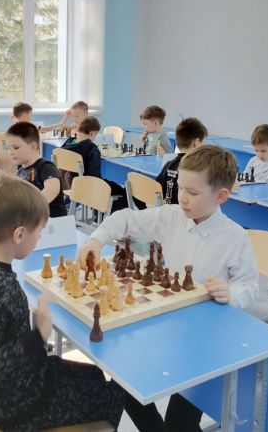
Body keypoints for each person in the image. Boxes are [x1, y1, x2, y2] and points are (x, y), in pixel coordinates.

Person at [76, 145, 258, 429]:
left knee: (179, 424)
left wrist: (232, 292)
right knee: (121, 378)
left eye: (192, 192)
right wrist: (96, 240)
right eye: (181, 188)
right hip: (167, 325)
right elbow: (125, 219)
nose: (182, 197)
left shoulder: (235, 237)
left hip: (206, 342)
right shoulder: (173, 216)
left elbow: (250, 286)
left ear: (221, 196)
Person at [0, 172, 126, 431]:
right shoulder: (1, 286)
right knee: (113, 394)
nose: (39, 238)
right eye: (38, 233)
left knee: (94, 374)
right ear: (20, 234)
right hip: (15, 403)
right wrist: (39, 334)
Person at [7, 122, 67, 217]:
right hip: (32, 220)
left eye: (16, 147)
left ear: (33, 147)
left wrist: (29, 208)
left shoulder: (46, 167)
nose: (10, 152)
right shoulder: (20, 171)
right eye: (8, 148)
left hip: (52, 222)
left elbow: (52, 189)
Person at [155, 118, 208, 204]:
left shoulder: (169, 165)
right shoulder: (198, 168)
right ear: (197, 142)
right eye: (203, 142)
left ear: (177, 142)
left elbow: (155, 188)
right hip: (185, 211)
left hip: (168, 210)